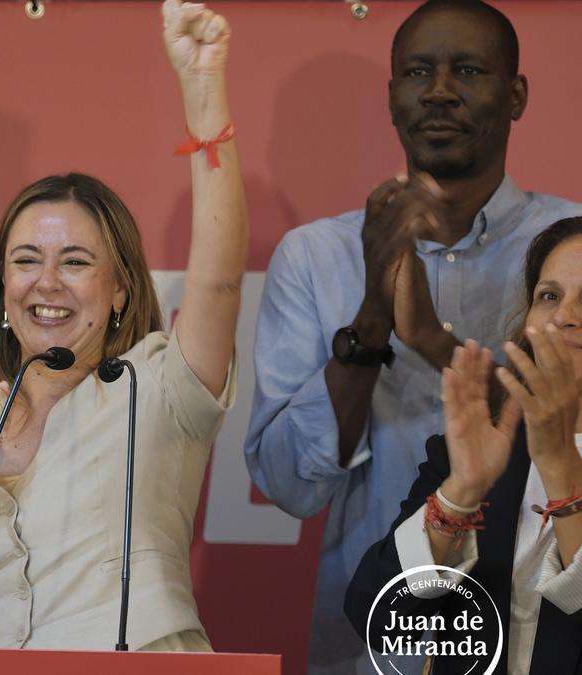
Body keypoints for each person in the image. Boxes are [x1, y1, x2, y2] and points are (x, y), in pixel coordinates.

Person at [0, 0, 246, 650]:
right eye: (26, 261)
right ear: (4, 290)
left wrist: (205, 96)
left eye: (77, 261)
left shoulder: (157, 386)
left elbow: (220, 279)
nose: (48, 282)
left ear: (120, 289)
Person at [242, 2, 582, 671]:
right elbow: (289, 485)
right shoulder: (316, 255)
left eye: (469, 70)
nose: (440, 90)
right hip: (372, 630)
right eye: (418, 71)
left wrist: (431, 340)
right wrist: (371, 320)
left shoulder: (570, 250)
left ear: (515, 95)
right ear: (393, 94)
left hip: (542, 630)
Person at [346, 216, 582, 674]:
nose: (564, 315)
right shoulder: (482, 449)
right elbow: (379, 619)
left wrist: (559, 466)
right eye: (549, 295)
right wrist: (460, 495)